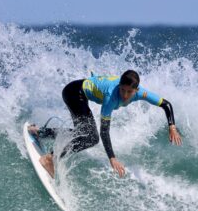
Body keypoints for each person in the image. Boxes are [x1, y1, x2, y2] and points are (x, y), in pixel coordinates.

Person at [29, 70, 183, 178]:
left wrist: (172, 126)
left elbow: (166, 104)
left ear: (136, 90)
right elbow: (104, 131)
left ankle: (40, 132)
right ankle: (49, 158)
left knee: (81, 133)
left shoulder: (142, 93)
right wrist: (112, 158)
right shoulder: (112, 96)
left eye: (129, 92)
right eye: (122, 90)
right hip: (74, 93)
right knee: (91, 138)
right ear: (119, 86)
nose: (124, 95)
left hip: (79, 93)